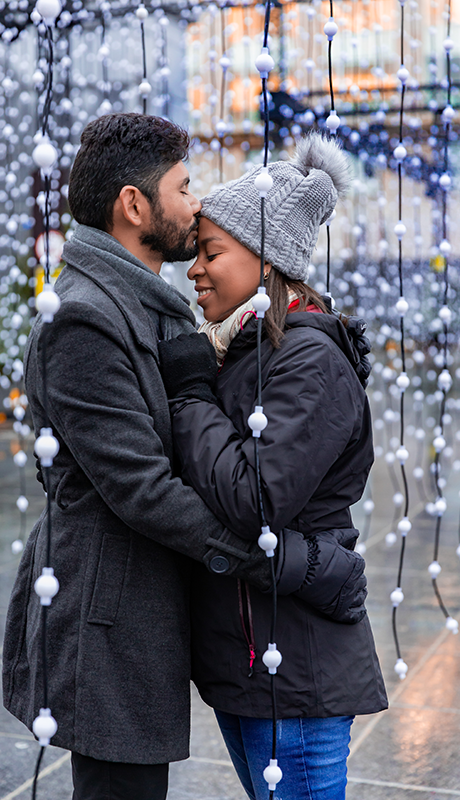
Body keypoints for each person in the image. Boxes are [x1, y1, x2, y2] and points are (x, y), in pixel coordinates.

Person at [2, 113, 281, 800]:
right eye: (183, 188)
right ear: (134, 205)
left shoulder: (148, 303)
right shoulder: (83, 317)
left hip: (141, 603)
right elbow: (142, 488)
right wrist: (263, 556)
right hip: (106, 619)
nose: (195, 202)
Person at [158, 133, 388, 800]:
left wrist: (191, 396)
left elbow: (254, 497)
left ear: (267, 261)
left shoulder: (308, 360)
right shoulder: (245, 350)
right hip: (252, 667)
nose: (194, 272)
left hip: (298, 674)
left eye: (211, 254)